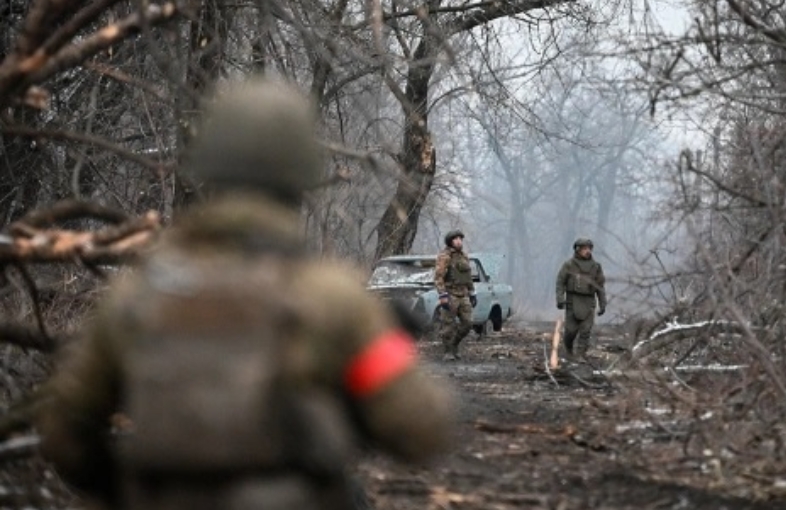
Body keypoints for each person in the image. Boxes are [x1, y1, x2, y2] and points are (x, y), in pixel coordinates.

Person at [36, 78, 454, 510]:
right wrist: (382, 355)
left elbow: (65, 431)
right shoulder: (331, 299)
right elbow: (422, 430)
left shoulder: (138, 294)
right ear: (301, 177)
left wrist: (125, 488)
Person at [555, 237, 607, 362]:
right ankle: (568, 348)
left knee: (586, 330)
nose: (587, 251)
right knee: (571, 330)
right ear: (578, 250)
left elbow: (600, 286)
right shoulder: (569, 265)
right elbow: (560, 282)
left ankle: (580, 354)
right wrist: (560, 298)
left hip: (589, 301)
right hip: (573, 300)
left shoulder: (596, 267)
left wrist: (602, 303)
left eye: (589, 248)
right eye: (584, 249)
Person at [434, 229, 477, 361]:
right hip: (450, 293)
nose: (459, 241)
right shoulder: (445, 256)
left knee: (468, 323)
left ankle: (454, 345)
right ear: (450, 241)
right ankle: (448, 351)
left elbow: (467, 276)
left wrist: (472, 292)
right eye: (455, 239)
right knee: (448, 325)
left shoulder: (464, 256)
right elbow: (438, 277)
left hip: (463, 294)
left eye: (460, 239)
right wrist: (442, 295)